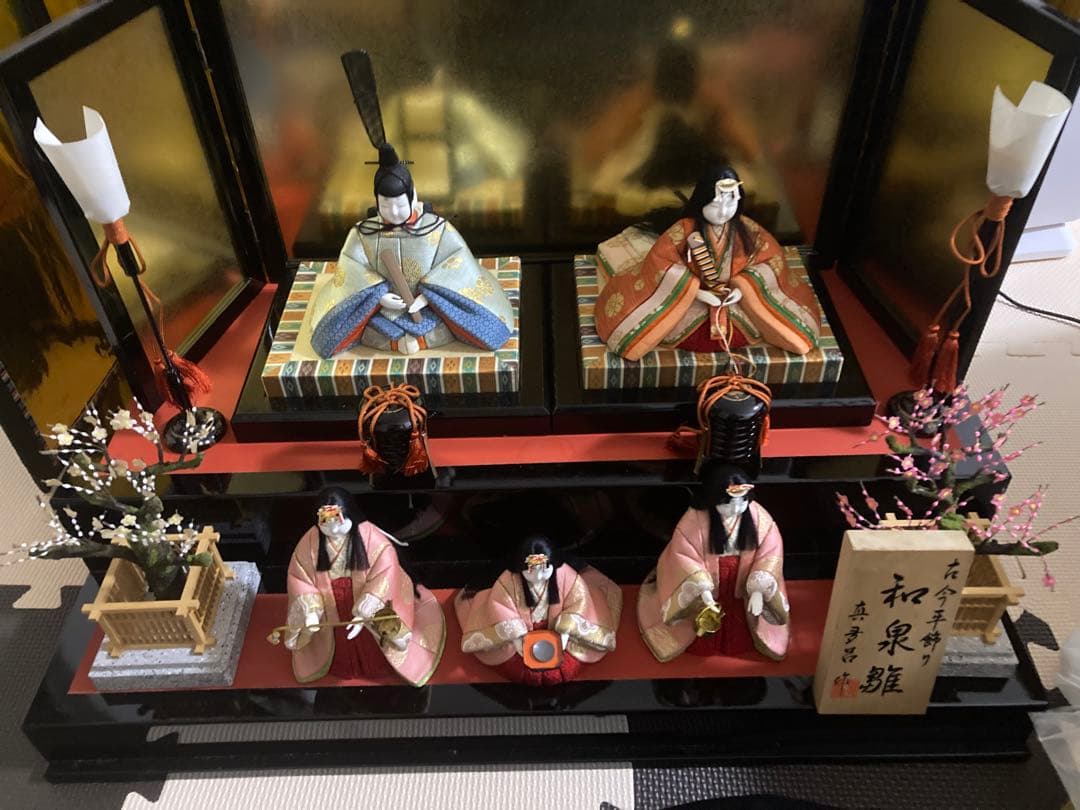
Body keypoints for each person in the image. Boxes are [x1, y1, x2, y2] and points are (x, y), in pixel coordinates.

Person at [594, 166, 821, 361]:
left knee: (780, 329)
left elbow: (770, 261)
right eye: (715, 204)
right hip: (688, 302)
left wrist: (743, 288)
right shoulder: (683, 231)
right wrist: (696, 292)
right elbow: (661, 263)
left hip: (736, 303)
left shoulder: (748, 230)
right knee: (656, 327)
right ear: (702, 201)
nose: (723, 211)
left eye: (730, 202)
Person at [309, 143, 514, 358]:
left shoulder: (436, 228)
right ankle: (399, 340)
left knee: (469, 326)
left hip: (432, 306)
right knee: (342, 332)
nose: (394, 212)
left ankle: (414, 339)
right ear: (376, 202)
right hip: (380, 309)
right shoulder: (363, 233)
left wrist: (428, 297)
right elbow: (351, 267)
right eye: (385, 206)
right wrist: (379, 296)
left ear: (413, 197)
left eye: (400, 205)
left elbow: (456, 260)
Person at [285, 486, 445, 686]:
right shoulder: (309, 543)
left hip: (367, 601)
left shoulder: (370, 537)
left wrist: (366, 611)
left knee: (374, 642)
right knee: (339, 643)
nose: (333, 531)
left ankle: (377, 663)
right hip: (329, 608)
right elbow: (299, 578)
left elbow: (386, 570)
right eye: (326, 524)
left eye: (338, 523)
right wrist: (311, 612)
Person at [637, 462, 790, 662]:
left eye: (742, 501)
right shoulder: (694, 520)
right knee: (705, 619)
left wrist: (758, 590)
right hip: (707, 579)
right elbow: (683, 557)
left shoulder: (759, 518)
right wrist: (703, 591)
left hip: (742, 580)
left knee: (740, 622)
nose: (736, 508)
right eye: (728, 503)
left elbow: (770, 553)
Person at [455, 536, 622, 687]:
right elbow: (500, 606)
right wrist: (517, 640)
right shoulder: (509, 580)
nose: (539, 576)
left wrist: (564, 634)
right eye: (531, 570)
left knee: (572, 660)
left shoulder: (566, 576)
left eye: (545, 569)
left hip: (560, 630)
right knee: (511, 661)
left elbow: (579, 601)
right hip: (519, 633)